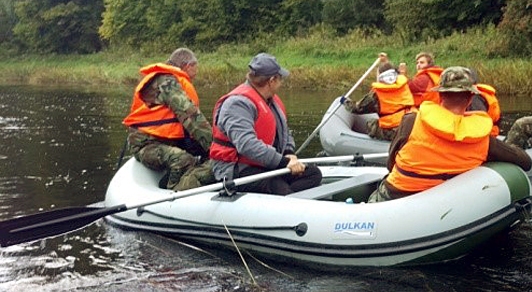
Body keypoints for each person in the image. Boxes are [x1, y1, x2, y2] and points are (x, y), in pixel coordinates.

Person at [368, 67, 532, 202]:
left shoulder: (411, 121)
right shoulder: (483, 139)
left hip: (398, 193)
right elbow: (525, 162)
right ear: (470, 99)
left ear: (440, 95)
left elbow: (391, 163)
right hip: (447, 203)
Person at [209, 53, 322, 195]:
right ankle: (287, 202)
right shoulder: (237, 104)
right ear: (272, 80)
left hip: (265, 163)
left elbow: (284, 132)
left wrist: (289, 153)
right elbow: (247, 145)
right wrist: (283, 162)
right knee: (277, 186)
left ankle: (290, 200)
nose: (281, 83)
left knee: (313, 174)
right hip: (238, 167)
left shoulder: (270, 101)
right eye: (280, 79)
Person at [122, 47, 214, 191]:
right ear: (187, 66)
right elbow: (189, 114)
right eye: (195, 69)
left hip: (167, 139)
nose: (195, 75)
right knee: (183, 160)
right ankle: (174, 191)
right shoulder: (166, 82)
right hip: (147, 144)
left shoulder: (172, 80)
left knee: (206, 152)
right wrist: (214, 145)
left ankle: (202, 179)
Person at [343, 58, 415, 141]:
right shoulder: (404, 85)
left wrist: (345, 102)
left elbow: (357, 108)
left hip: (394, 130)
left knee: (371, 124)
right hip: (410, 124)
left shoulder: (376, 95)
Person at [464, 68, 502, 137]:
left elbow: (479, 124)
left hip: (485, 137)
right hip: (488, 133)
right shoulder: (477, 95)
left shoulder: (475, 98)